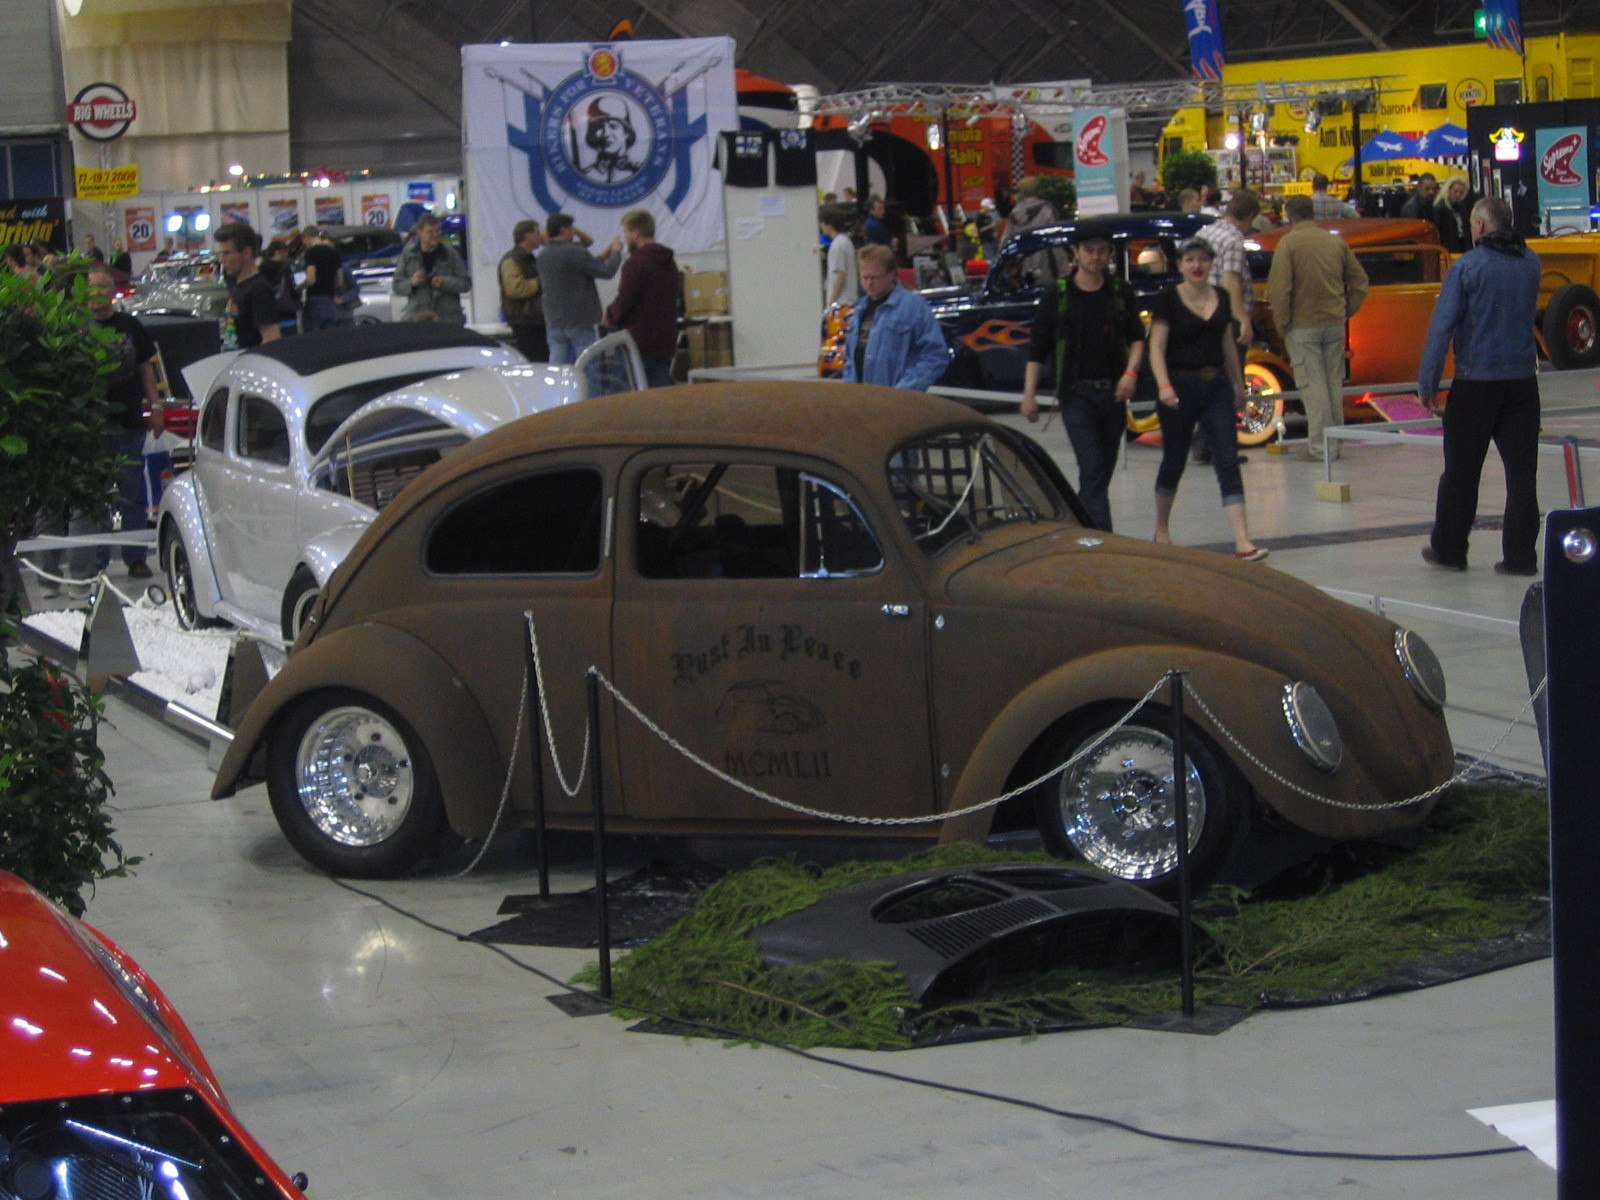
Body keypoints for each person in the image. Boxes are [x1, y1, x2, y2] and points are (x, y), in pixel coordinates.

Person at [1417, 196, 1543, 575]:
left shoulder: (1467, 267)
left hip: (1476, 384)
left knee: (1461, 472)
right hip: (1522, 383)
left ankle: (1451, 550)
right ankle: (1521, 557)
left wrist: (1428, 382)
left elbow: (1442, 328)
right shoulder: (1532, 263)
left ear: (1481, 228)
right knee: (1522, 475)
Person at [1020, 222, 1146, 532]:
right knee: (1092, 468)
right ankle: (1102, 538)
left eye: (1102, 251)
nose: (1096, 257)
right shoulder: (1058, 295)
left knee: (1101, 470)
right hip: (1075, 394)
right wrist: (1029, 395)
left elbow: (1137, 339)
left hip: (1113, 394)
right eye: (1089, 251)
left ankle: (1076, 522)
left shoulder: (1120, 292)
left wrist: (1130, 374)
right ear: (1075, 254)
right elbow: (1038, 348)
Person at [1147, 238, 1267, 561]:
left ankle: (1243, 541)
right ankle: (1161, 529)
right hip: (1179, 386)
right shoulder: (1168, 299)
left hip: (1216, 386)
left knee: (1227, 458)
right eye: (1190, 260)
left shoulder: (1223, 297)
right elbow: (1156, 346)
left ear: (1211, 264)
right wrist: (1163, 386)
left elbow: (1227, 342)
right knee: (1174, 459)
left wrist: (1238, 384)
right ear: (1180, 265)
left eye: (1202, 259)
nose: (1197, 266)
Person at [1265, 195, 1369, 462]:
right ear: (1313, 214)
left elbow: (1280, 289)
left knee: (1313, 387)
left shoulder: (1288, 244)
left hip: (1302, 326)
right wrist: (1346, 310)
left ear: (1290, 215)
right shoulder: (1335, 242)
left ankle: (1320, 449)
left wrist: (1283, 322)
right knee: (1333, 383)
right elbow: (1360, 282)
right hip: (1334, 324)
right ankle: (1334, 442)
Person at [79, 266, 163, 584]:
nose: (97, 294)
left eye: (103, 287)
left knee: (132, 492)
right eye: (92, 288)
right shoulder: (78, 329)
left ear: (112, 291)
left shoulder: (130, 326)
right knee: (95, 495)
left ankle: (135, 556)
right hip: (92, 426)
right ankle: (97, 559)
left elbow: (146, 370)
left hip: (128, 422)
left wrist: (155, 408)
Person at [1192, 189, 1260, 464]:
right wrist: (1243, 318)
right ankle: (1222, 447)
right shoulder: (1233, 239)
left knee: (1209, 380)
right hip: (1226, 320)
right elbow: (1232, 281)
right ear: (1247, 217)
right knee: (1231, 380)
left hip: (1203, 313)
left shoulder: (1206, 232)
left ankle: (1202, 444)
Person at [841, 243, 949, 391]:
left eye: (874, 278)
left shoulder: (914, 307)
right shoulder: (859, 310)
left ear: (892, 274)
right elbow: (849, 360)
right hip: (861, 402)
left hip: (899, 403)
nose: (868, 284)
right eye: (864, 278)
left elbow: (936, 356)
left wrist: (905, 390)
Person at [603, 208, 681, 388]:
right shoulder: (669, 262)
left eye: (626, 231)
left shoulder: (635, 264)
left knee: (624, 396)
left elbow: (626, 299)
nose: (624, 236)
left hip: (638, 341)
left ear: (636, 233)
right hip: (665, 340)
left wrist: (610, 315)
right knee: (658, 397)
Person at [538, 212, 622, 364]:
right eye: (571, 229)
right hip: (579, 320)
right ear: (563, 230)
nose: (574, 233)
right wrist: (616, 252)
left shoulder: (543, 255)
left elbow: (575, 270)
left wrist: (602, 257)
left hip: (554, 320)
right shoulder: (575, 251)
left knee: (558, 367)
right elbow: (607, 272)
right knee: (588, 366)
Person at [393, 213, 470, 324]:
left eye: (437, 231)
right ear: (419, 232)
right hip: (418, 320)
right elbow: (397, 286)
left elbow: (466, 284)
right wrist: (412, 283)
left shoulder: (450, 254)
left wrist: (445, 282)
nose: (435, 235)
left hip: (447, 321)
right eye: (430, 232)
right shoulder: (408, 255)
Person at [213, 222, 279, 348]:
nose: (221, 260)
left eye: (227, 253)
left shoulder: (259, 289)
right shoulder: (239, 286)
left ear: (247, 253)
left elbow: (271, 338)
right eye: (221, 254)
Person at [498, 219, 547, 362]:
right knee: (534, 361)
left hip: (535, 320)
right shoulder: (512, 260)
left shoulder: (529, 259)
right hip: (525, 321)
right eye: (537, 232)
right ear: (527, 235)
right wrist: (541, 281)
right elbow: (516, 289)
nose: (541, 236)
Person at [300, 225, 347, 332]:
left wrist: (299, 286)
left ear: (306, 237)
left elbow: (311, 279)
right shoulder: (334, 252)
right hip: (330, 300)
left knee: (313, 339)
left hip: (315, 299)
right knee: (329, 338)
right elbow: (340, 281)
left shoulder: (310, 252)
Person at [259, 239, 301, 337]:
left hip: (270, 313)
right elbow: (292, 288)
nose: (287, 253)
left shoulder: (261, 267)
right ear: (278, 251)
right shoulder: (285, 267)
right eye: (285, 251)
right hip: (286, 312)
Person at [819, 204, 857, 308]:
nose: (821, 225)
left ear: (829, 224)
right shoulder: (846, 241)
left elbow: (840, 275)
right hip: (849, 301)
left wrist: (831, 303)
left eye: (822, 222)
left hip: (841, 304)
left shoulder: (837, 246)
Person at [1434, 176, 1474, 253]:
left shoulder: (1461, 206)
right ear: (1449, 190)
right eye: (1455, 191)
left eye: (1461, 192)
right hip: (1448, 246)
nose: (1458, 195)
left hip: (1462, 244)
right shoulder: (1440, 208)